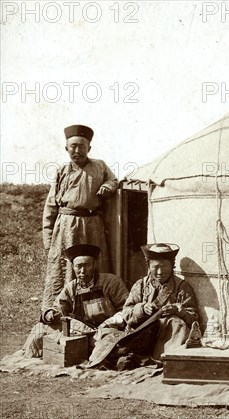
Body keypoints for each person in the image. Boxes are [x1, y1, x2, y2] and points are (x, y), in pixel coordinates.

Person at [42, 124, 118, 311]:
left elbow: (114, 180)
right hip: (66, 227)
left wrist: (108, 186)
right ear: (66, 148)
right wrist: (48, 238)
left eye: (82, 146)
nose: (77, 150)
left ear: (89, 148)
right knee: (64, 269)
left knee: (93, 267)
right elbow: (51, 204)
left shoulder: (100, 166)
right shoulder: (62, 170)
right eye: (73, 146)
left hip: (93, 226)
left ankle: (97, 311)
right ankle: (59, 311)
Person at [23, 244, 129, 358]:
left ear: (94, 265)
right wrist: (50, 314)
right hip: (81, 331)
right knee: (40, 329)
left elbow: (127, 309)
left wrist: (109, 323)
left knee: (108, 344)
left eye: (87, 265)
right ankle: (29, 357)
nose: (82, 271)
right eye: (78, 266)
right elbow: (59, 307)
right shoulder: (71, 287)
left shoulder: (111, 282)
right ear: (73, 267)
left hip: (106, 330)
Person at [121, 243, 199, 359]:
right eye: (155, 267)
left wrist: (178, 310)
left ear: (172, 265)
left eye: (164, 266)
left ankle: (168, 359)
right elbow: (126, 313)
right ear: (148, 266)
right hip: (143, 335)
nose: (159, 272)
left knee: (176, 322)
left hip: (168, 338)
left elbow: (194, 320)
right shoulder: (140, 285)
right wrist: (141, 309)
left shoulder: (182, 287)